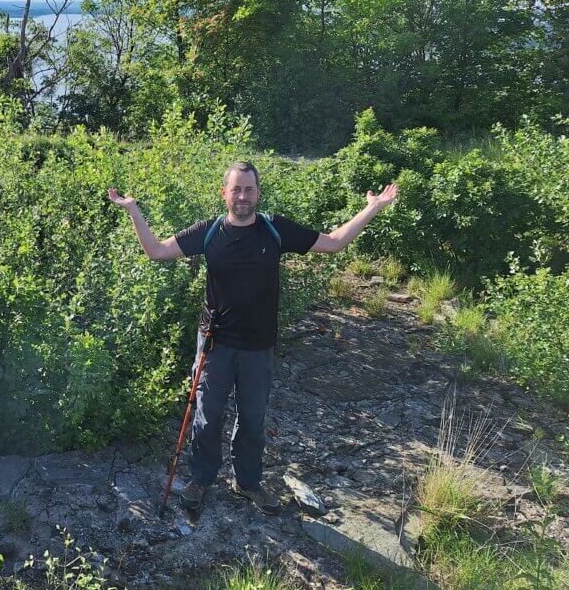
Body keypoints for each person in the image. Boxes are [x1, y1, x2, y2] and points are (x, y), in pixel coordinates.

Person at [107, 161, 399, 515]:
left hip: (259, 347)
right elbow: (156, 251)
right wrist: (133, 210)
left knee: (252, 419)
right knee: (207, 415)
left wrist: (372, 208)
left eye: (249, 189)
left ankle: (246, 483)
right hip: (215, 343)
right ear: (224, 193)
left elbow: (335, 243)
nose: (242, 196)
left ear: (258, 193)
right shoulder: (210, 231)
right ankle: (201, 478)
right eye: (236, 189)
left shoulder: (275, 230)